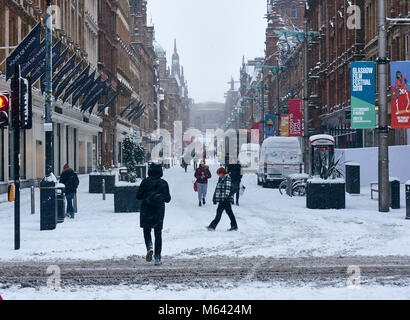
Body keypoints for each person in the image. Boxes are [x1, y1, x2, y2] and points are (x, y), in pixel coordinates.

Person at [137, 163, 171, 266]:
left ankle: (149, 246)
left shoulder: (145, 182)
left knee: (146, 230)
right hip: (158, 210)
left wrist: (147, 196)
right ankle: (157, 257)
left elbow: (138, 196)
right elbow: (168, 199)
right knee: (158, 233)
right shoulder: (163, 183)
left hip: (146, 209)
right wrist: (159, 197)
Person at [207, 167, 238, 231]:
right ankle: (234, 225)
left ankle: (212, 226)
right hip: (223, 199)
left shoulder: (227, 178)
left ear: (222, 173)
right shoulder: (222, 178)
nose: (219, 175)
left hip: (225, 199)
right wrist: (215, 198)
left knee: (219, 212)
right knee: (229, 213)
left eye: (219, 174)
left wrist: (224, 198)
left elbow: (227, 189)